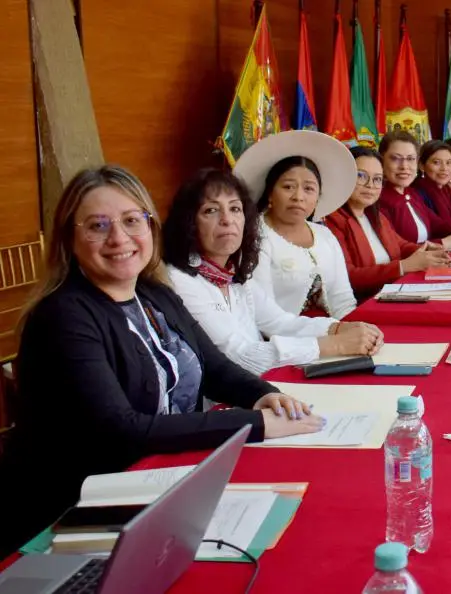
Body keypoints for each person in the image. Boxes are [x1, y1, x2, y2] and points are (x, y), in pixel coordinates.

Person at [0, 165, 324, 555]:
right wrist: (254, 424)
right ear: (70, 238)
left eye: (131, 221)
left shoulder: (155, 293)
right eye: (98, 226)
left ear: (150, 227)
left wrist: (265, 395)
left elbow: (215, 367)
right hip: (70, 516)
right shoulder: (63, 316)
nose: (119, 238)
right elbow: (122, 429)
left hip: (158, 481)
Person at [164, 169, 383, 375]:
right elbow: (237, 356)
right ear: (189, 222)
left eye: (235, 209)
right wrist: (334, 344)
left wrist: (338, 328)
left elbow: (280, 322)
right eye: (211, 211)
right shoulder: (179, 280)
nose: (227, 220)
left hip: (260, 386)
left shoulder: (232, 272)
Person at [233, 130, 359, 318]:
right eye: (288, 187)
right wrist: (332, 331)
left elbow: (342, 299)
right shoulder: (254, 235)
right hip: (281, 333)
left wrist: (353, 326)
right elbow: (265, 315)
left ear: (317, 197)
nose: (298, 197)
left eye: (309, 189)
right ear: (270, 193)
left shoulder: (324, 235)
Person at [324, 146, 451, 301]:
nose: (370, 185)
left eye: (377, 179)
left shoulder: (375, 215)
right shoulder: (331, 220)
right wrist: (403, 266)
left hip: (392, 293)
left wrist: (425, 250)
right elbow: (348, 276)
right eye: (361, 176)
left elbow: (400, 246)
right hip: (364, 303)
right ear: (343, 177)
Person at [376, 129, 451, 249]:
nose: (404, 166)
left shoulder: (411, 193)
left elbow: (436, 224)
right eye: (395, 158)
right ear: (381, 161)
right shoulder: (378, 200)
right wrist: (442, 243)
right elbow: (395, 249)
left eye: (410, 159)